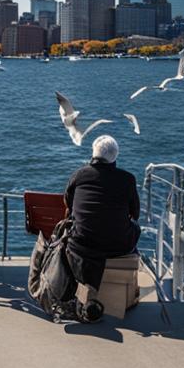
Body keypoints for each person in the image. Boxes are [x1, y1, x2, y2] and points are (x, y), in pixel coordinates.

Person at [63, 135, 140, 316]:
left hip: (82, 244)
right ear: (115, 156)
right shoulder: (128, 179)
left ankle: (82, 293)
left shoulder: (80, 174)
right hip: (117, 245)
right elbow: (135, 215)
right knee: (135, 228)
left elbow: (68, 202)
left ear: (93, 153)